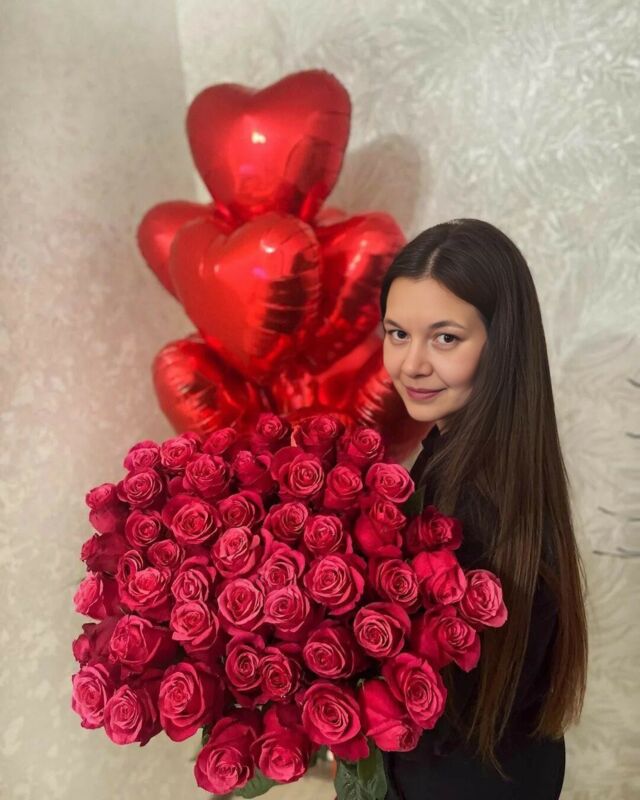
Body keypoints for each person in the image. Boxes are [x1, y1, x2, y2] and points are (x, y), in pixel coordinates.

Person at [378, 219, 588, 799]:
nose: (412, 364)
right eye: (398, 333)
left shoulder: (475, 500)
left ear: (502, 344)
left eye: (445, 338)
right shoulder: (476, 460)